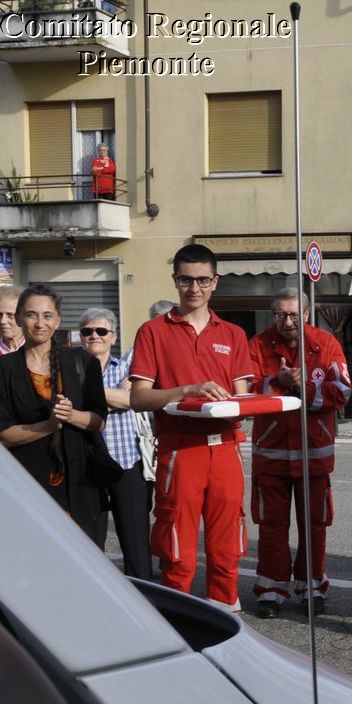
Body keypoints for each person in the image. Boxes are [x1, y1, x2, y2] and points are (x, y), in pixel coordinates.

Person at [128, 245, 254, 611]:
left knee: (227, 544)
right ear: (175, 281)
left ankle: (226, 618)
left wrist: (240, 404)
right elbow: (138, 398)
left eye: (202, 280)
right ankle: (178, 623)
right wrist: (188, 391)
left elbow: (242, 400)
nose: (193, 288)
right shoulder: (153, 331)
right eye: (186, 279)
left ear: (215, 282)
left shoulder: (232, 334)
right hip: (180, 448)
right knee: (177, 545)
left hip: (226, 447)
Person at [248, 288, 352, 619]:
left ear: (306, 313)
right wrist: (277, 382)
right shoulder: (257, 344)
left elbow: (343, 392)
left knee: (314, 525)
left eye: (294, 315)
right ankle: (271, 588)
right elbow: (247, 390)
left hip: (314, 455)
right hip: (272, 453)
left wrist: (302, 386)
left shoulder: (327, 344)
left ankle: (311, 586)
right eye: (280, 315)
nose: (288, 321)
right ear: (273, 315)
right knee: (271, 526)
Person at [0, 285, 107, 541]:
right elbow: (2, 435)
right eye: (31, 315)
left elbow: (98, 421)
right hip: (26, 486)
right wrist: (48, 425)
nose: (40, 323)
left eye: (47, 316)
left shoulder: (83, 362)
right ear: (18, 319)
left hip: (79, 487)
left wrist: (71, 416)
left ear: (58, 320)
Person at [79, 307, 151, 579]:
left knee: (135, 539)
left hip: (126, 461)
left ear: (113, 337)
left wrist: (89, 398)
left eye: (101, 331)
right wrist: (112, 398)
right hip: (87, 466)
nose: (94, 336)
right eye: (87, 331)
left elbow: (131, 401)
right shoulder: (70, 368)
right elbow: (69, 404)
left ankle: (145, 594)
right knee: (89, 542)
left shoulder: (129, 369)